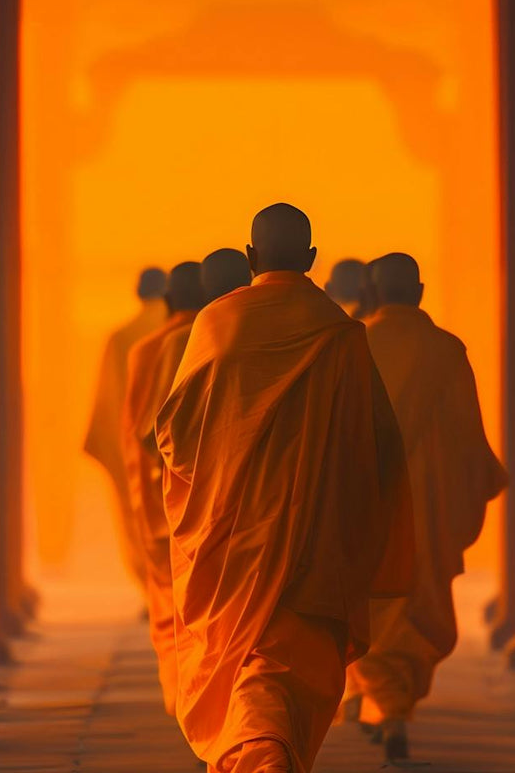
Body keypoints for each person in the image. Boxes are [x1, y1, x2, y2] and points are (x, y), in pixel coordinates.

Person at [156, 204, 415, 773]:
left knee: (253, 658)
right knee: (283, 663)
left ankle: (262, 756)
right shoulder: (342, 338)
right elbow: (380, 449)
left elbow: (173, 437)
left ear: (250, 258)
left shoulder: (216, 327)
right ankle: (269, 756)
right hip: (317, 542)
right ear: (312, 259)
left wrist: (219, 478)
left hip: (232, 537)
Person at [346, 253, 508, 760]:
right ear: (418, 290)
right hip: (430, 509)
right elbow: (466, 437)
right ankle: (393, 708)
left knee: (367, 605)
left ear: (373, 291)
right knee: (416, 605)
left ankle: (382, 702)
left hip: (368, 509)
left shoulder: (354, 348)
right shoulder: (445, 350)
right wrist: (478, 480)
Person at [122, 261, 205, 715]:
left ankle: (187, 701)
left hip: (164, 501)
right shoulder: (226, 339)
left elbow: (139, 434)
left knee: (177, 612)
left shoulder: (145, 348)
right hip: (228, 508)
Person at [84, 267, 166, 588]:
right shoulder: (192, 331)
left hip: (132, 447)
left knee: (139, 523)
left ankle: (152, 592)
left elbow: (108, 402)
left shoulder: (121, 338)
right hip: (181, 447)